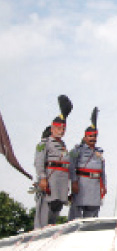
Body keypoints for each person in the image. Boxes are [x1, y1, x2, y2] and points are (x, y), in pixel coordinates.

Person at [33, 95, 73, 229]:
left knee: (56, 208)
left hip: (61, 182)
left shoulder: (63, 146)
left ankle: (50, 228)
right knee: (45, 208)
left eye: (63, 129)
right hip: (49, 180)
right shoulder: (44, 143)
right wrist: (42, 178)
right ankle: (39, 231)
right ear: (52, 128)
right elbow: (39, 161)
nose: (61, 131)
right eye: (58, 129)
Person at [68, 108, 106, 220]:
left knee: (91, 218)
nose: (93, 139)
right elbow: (71, 166)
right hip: (81, 184)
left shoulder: (99, 152)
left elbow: (102, 171)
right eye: (90, 136)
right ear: (85, 137)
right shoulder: (77, 150)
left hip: (95, 186)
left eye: (94, 136)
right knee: (75, 218)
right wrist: (74, 182)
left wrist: (104, 185)